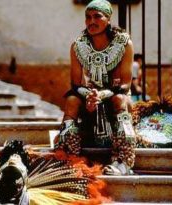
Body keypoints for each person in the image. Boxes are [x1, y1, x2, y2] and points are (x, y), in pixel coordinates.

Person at [54, 0, 136, 175]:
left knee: (120, 99)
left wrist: (101, 95)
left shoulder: (124, 44)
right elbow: (75, 85)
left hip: (115, 96)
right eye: (88, 17)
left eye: (97, 16)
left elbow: (125, 84)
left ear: (108, 19)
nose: (91, 21)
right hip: (89, 96)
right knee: (71, 101)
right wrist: (90, 96)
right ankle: (68, 158)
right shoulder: (78, 45)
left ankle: (123, 162)